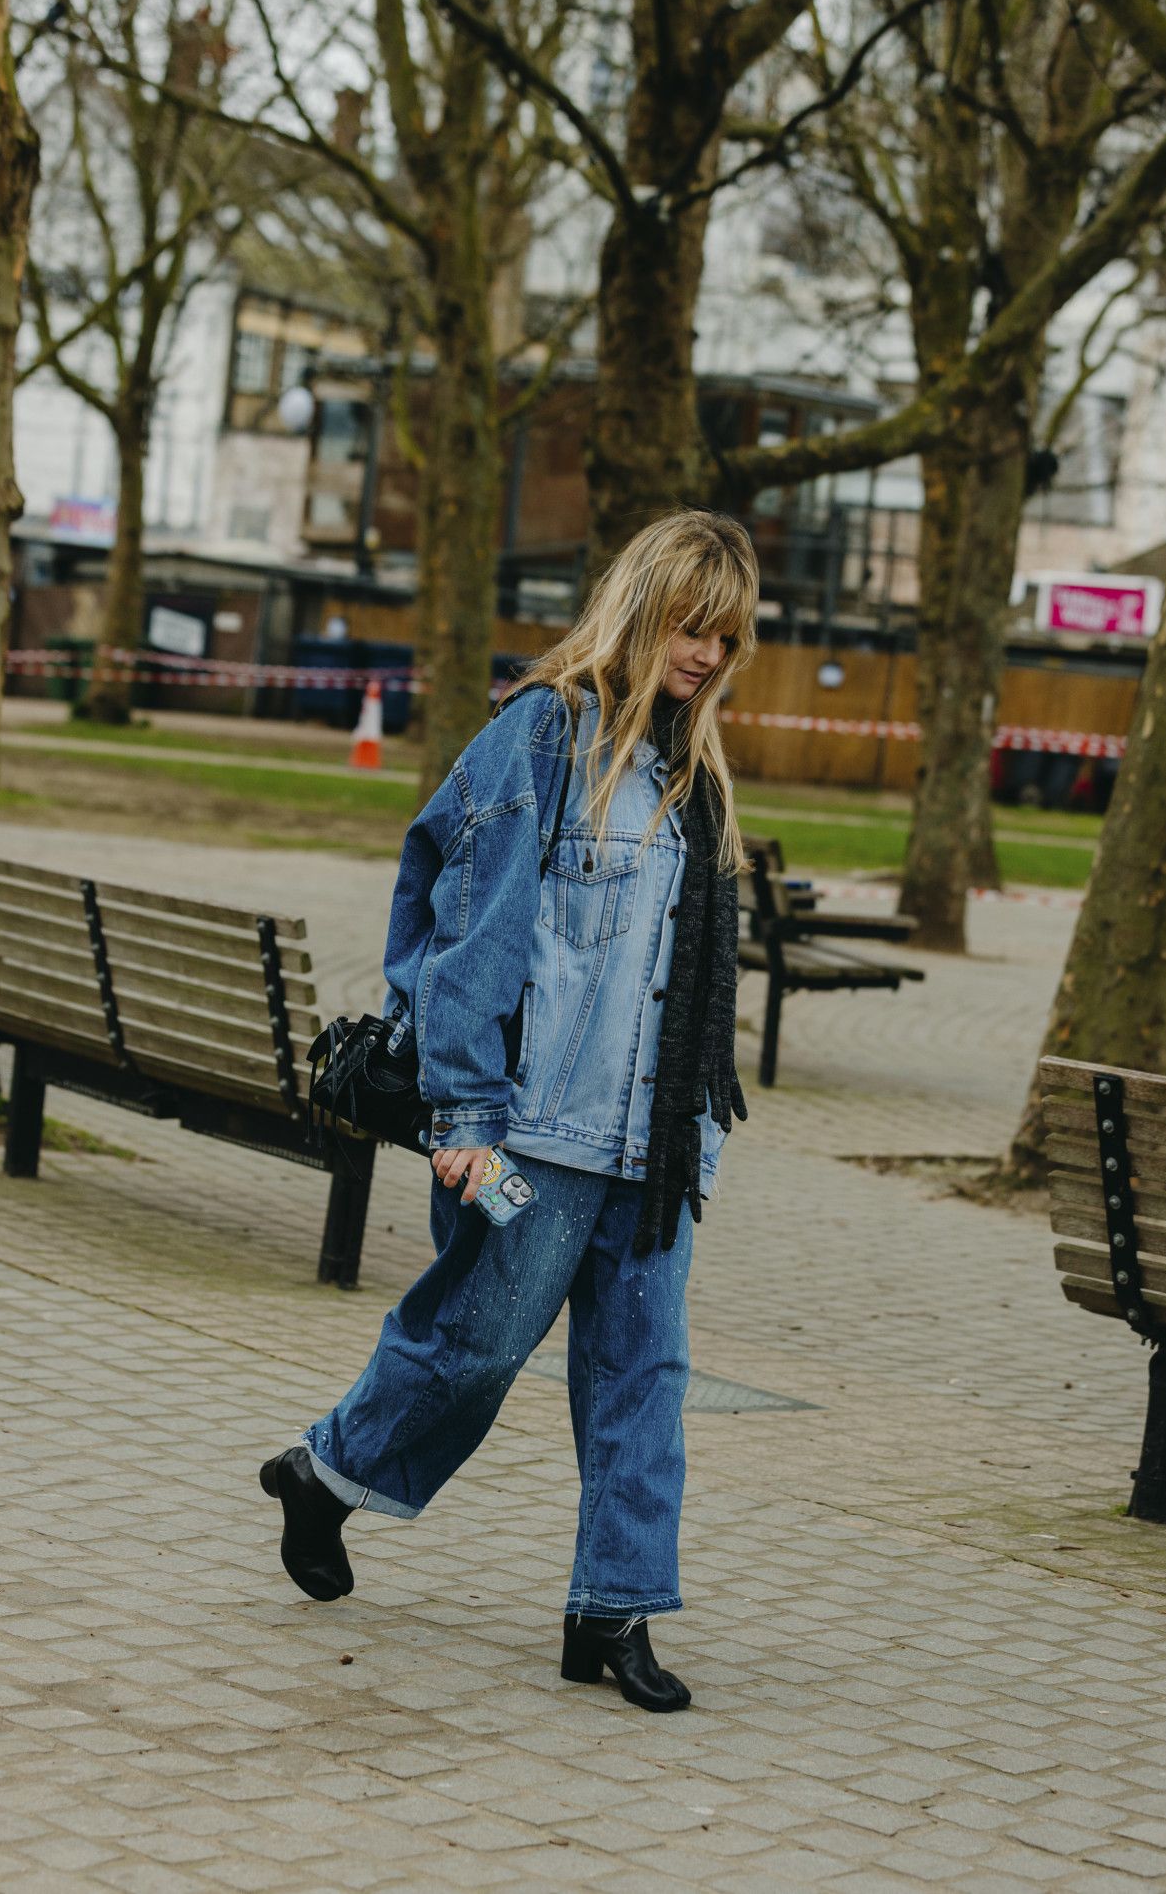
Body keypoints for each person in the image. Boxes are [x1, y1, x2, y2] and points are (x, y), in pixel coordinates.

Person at [260, 508, 758, 1711]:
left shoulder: (693, 775)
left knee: (645, 1373)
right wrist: (464, 1112)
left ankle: (613, 1612)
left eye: (727, 637)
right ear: (639, 609)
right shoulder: (541, 737)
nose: (703, 654)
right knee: (475, 1348)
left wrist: (691, 1125)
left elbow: (684, 979)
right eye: (690, 625)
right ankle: (327, 1475)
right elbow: (464, 938)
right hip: (529, 1131)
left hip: (652, 1144)